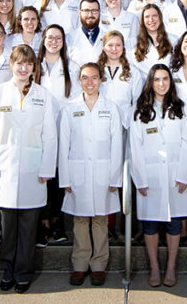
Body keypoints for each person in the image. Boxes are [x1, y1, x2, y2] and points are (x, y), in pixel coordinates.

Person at [0, 44, 58, 294]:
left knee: (28, 226)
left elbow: (50, 136)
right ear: (11, 65)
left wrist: (47, 168)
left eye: (28, 63)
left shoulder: (43, 95)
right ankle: (8, 269)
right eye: (18, 63)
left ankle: (23, 272)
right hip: (4, 170)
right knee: (7, 226)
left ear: (34, 67)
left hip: (34, 171)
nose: (23, 68)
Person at [128, 63, 187, 288]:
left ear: (171, 82)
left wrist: (185, 174)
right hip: (151, 176)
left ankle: (171, 267)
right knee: (150, 225)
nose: (162, 83)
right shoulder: (139, 110)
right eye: (157, 79)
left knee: (175, 224)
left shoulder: (181, 108)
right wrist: (140, 179)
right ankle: (155, 267)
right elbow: (135, 147)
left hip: (176, 175)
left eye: (165, 79)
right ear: (150, 82)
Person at [59, 63, 123, 286]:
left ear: (101, 80)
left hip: (104, 174)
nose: (89, 82)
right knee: (79, 220)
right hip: (77, 173)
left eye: (94, 78)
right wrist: (65, 179)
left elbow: (117, 145)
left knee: (100, 220)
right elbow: (63, 145)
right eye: (85, 78)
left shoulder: (111, 108)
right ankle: (79, 264)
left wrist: (115, 178)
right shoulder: (70, 108)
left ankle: (98, 265)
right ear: (79, 80)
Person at [97, 30, 143, 127]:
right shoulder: (96, 71)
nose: (114, 48)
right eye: (110, 45)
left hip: (124, 125)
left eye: (118, 45)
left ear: (123, 47)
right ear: (103, 47)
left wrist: (124, 123)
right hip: (99, 123)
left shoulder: (134, 72)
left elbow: (138, 102)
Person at [38, 24, 82, 105]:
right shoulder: (34, 66)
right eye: (50, 38)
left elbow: (77, 96)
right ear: (44, 41)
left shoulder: (72, 67)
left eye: (58, 38)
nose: (54, 41)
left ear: (63, 42)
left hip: (63, 115)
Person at [131, 4, 176, 73]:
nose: (151, 19)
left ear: (160, 18)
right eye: (147, 17)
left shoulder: (173, 40)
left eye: (154, 16)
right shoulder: (134, 43)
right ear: (143, 21)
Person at [68, 0, 105, 65]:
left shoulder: (108, 37)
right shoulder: (69, 38)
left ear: (99, 13)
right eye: (86, 11)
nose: (90, 15)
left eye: (94, 10)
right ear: (79, 13)